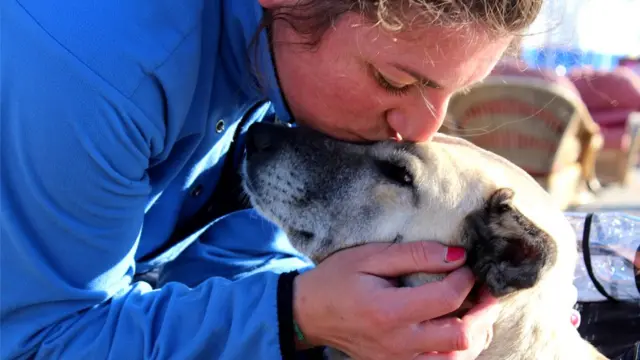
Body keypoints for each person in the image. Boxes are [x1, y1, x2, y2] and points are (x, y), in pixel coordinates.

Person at [2, 0, 549, 359]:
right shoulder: (98, 73)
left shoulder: (288, 64)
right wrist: (297, 314)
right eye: (393, 80)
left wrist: (363, 313)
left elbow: (223, 263)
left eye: (453, 93)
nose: (421, 130)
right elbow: (38, 342)